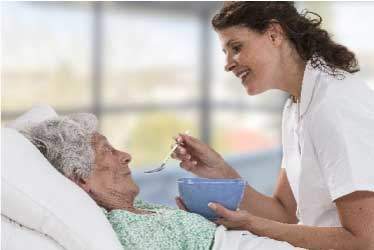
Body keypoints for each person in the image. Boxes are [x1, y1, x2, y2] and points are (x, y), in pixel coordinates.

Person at [172, 2, 374, 250]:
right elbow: (284, 213)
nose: (227, 64)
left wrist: (252, 225)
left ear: (273, 34)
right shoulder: (296, 106)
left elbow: (365, 239)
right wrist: (221, 173)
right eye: (225, 52)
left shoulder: (336, 104)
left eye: (236, 47)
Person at [21, 113, 297, 250]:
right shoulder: (124, 229)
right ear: (81, 179)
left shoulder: (136, 209)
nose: (126, 155)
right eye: (108, 150)